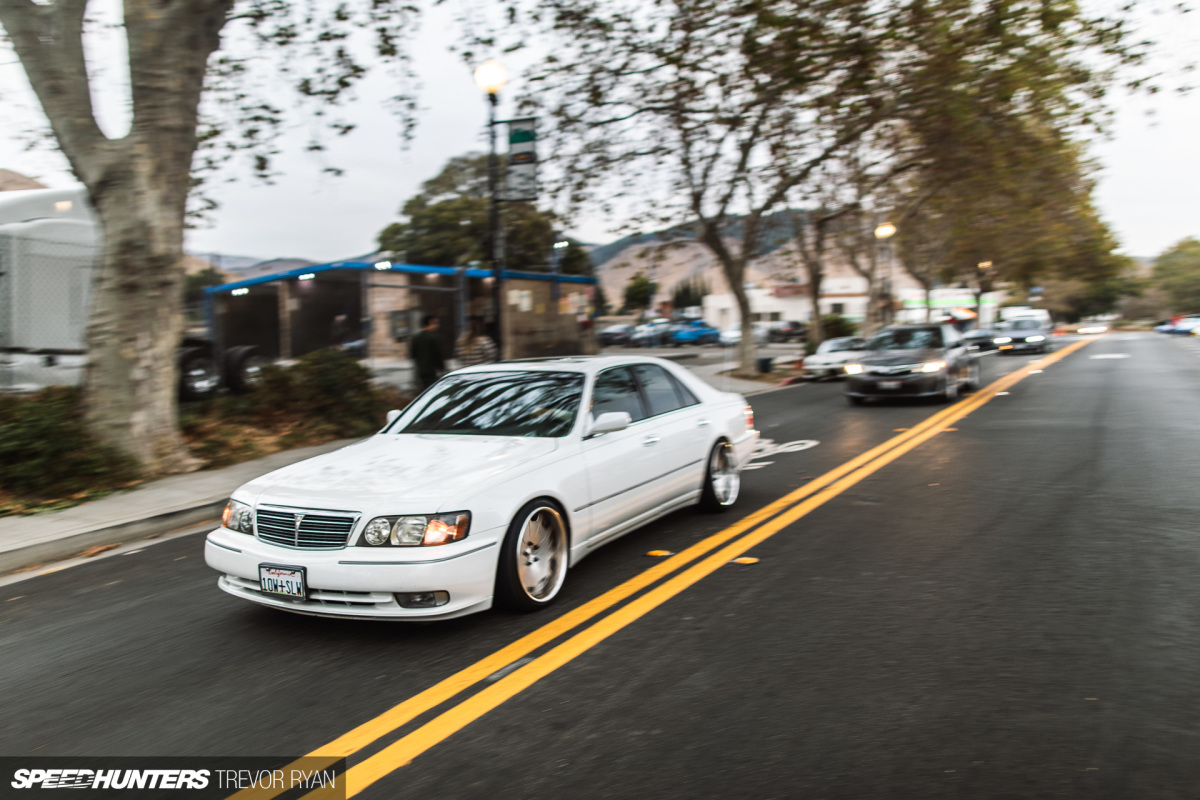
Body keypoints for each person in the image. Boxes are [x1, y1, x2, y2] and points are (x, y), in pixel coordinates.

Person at [410, 314, 446, 390]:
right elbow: (438, 356)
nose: (438, 326)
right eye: (435, 323)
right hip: (433, 372)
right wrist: (443, 370)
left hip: (421, 372)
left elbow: (413, 355)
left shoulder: (415, 338)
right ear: (430, 323)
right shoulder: (433, 337)